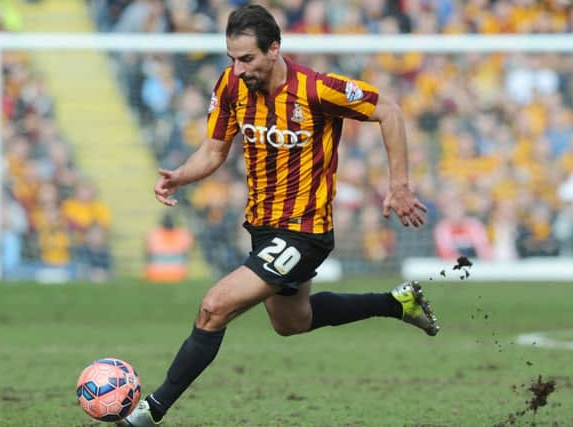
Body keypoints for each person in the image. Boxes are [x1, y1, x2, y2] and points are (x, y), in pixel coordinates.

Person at [117, 5, 437, 426]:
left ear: (274, 49)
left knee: (214, 308)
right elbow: (213, 151)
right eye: (232, 58)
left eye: (246, 58)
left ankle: (147, 412)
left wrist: (398, 186)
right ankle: (397, 303)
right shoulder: (232, 86)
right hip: (263, 228)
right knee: (292, 322)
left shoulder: (317, 89)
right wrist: (180, 175)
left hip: (305, 232)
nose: (238, 68)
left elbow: (388, 111)